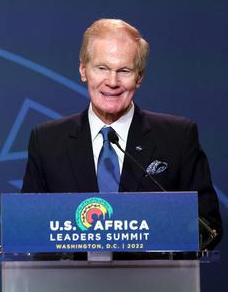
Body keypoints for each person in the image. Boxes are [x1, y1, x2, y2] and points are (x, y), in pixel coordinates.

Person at [21, 18, 222, 249]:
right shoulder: (46, 141)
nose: (112, 82)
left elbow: (209, 227)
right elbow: (29, 230)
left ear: (139, 77)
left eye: (124, 70)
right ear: (83, 70)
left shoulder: (178, 137)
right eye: (102, 68)